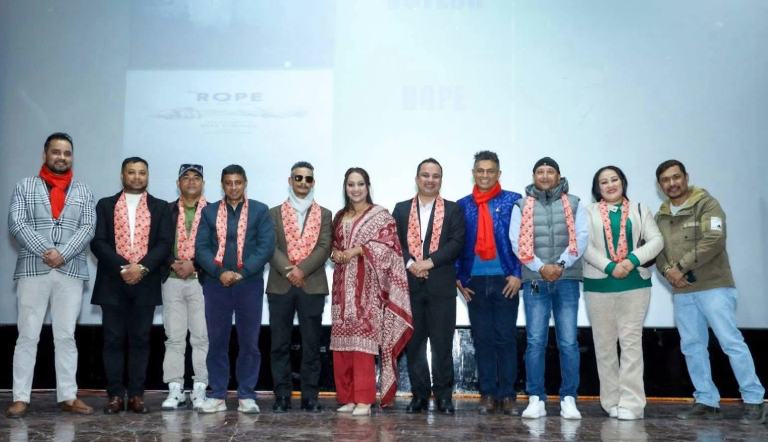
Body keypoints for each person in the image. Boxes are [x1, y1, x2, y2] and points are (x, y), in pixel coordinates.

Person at [654, 159, 766, 424]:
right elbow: (657, 249)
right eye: (666, 180)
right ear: (660, 185)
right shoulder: (660, 216)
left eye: (676, 177)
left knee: (731, 342)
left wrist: (680, 267)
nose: (672, 183)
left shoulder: (707, 204)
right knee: (692, 346)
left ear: (686, 177)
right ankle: (706, 401)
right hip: (682, 292)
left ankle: (754, 401)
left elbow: (714, 240)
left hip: (714, 287)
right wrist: (668, 272)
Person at [6, 132, 96, 418]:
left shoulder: (83, 191)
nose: (61, 157)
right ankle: (20, 397)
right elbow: (16, 223)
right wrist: (46, 250)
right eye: (56, 152)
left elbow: (88, 228)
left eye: (67, 153)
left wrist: (63, 253)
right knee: (27, 335)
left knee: (66, 335)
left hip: (70, 270)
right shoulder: (25, 186)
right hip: (34, 269)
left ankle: (68, 396)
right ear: (45, 154)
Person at [91, 157, 172, 414]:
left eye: (141, 173)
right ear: (122, 175)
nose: (137, 177)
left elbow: (164, 243)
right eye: (131, 172)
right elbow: (98, 242)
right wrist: (123, 267)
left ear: (147, 176)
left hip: (145, 282)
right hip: (112, 282)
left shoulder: (160, 207)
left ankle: (137, 395)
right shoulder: (105, 205)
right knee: (113, 340)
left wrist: (142, 267)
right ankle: (115, 395)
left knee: (140, 340)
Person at [329, 167, 413, 416]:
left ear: (368, 187)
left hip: (368, 289)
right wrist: (335, 253)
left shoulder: (381, 216)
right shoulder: (339, 216)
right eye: (351, 185)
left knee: (363, 343)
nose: (355, 189)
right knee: (341, 344)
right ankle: (347, 398)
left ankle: (364, 400)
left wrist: (357, 251)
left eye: (360, 184)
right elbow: (333, 245)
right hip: (342, 287)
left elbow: (390, 248)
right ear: (345, 188)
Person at [582, 165, 663, 420]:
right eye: (604, 182)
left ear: (623, 182)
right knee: (604, 346)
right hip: (599, 286)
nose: (610, 185)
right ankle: (611, 402)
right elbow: (583, 245)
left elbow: (657, 241)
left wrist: (630, 261)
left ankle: (632, 404)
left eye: (614, 179)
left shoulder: (639, 209)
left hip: (635, 285)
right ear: (597, 188)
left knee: (631, 345)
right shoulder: (587, 212)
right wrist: (609, 266)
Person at [510, 156, 588, 420]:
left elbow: (582, 237)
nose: (545, 176)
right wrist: (541, 266)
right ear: (534, 176)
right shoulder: (521, 205)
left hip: (566, 280)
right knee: (535, 341)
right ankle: (535, 398)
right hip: (536, 279)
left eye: (550, 171)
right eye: (540, 172)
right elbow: (516, 242)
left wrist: (561, 265)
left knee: (568, 341)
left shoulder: (575, 203)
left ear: (558, 175)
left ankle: (569, 398)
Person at [194, 164, 275, 414]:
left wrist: (242, 272)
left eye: (237, 182)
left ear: (245, 183)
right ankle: (217, 394)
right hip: (216, 284)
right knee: (217, 341)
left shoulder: (260, 211)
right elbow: (201, 247)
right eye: (228, 183)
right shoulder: (209, 212)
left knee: (249, 342)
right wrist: (219, 272)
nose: (233, 187)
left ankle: (246, 395)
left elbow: (266, 247)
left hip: (248, 284)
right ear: (222, 185)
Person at [393, 158, 465, 414]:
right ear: (417, 178)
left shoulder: (453, 210)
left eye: (435, 176)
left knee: (442, 344)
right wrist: (411, 263)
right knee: (414, 345)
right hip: (410, 287)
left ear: (441, 180)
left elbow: (456, 243)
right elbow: (394, 243)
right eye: (425, 175)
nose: (430, 180)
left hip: (441, 287)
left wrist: (429, 263)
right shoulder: (401, 209)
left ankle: (444, 396)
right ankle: (419, 396)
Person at [455, 151, 522, 415]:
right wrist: (458, 278)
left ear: (498, 173)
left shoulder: (514, 201)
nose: (485, 175)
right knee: (482, 338)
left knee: (505, 337)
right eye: (480, 170)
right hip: (474, 280)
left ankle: (507, 394)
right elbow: (456, 243)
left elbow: (524, 241)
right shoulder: (462, 205)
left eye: (490, 171)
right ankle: (487, 394)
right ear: (473, 173)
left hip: (506, 279)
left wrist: (518, 273)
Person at [266, 161, 332, 413]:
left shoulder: (324, 214)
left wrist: (301, 270)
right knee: (279, 345)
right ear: (290, 180)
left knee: (311, 345)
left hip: (311, 284)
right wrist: (290, 270)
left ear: (313, 183)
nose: (303, 182)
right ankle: (282, 396)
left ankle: (310, 397)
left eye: (308, 179)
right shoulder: (273, 213)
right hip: (280, 284)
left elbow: (324, 247)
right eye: (298, 178)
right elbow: (270, 246)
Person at [160, 164, 209, 410]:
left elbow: (217, 245)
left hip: (201, 281)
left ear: (203, 183)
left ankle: (200, 387)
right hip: (172, 279)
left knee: (201, 337)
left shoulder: (213, 211)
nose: (191, 181)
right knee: (174, 338)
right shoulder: (166, 210)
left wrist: (194, 265)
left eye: (196, 177)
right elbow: (158, 242)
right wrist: (173, 263)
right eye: (186, 177)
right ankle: (175, 389)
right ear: (178, 183)